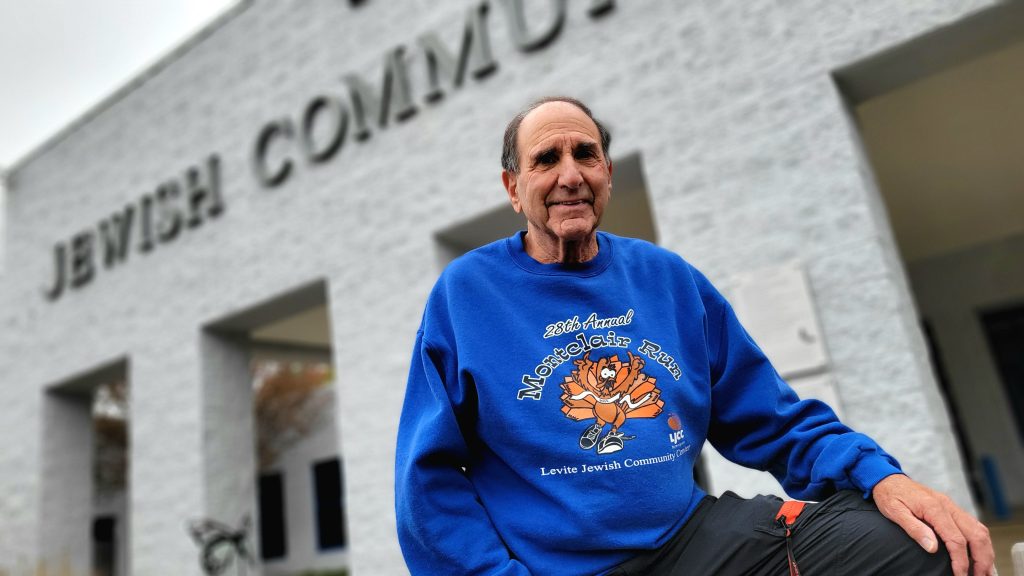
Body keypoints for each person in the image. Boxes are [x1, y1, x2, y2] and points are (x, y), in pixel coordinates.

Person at [395, 96, 995, 575]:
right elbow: (427, 481)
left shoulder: (667, 279)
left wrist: (880, 475)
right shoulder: (467, 295)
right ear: (512, 187)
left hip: (693, 542)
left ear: (607, 170)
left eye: (587, 153)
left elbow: (774, 419)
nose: (570, 174)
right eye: (546, 160)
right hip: (561, 567)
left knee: (924, 548)